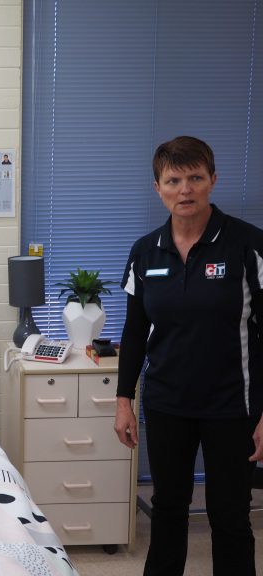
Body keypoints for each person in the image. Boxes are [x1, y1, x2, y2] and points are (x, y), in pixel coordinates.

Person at [113, 136, 263, 575]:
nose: (185, 189)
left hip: (232, 406)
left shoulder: (248, 246)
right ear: (158, 187)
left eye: (195, 178)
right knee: (168, 510)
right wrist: (124, 400)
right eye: (173, 180)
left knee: (230, 515)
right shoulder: (145, 252)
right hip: (167, 404)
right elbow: (135, 331)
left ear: (213, 180)